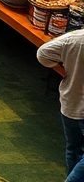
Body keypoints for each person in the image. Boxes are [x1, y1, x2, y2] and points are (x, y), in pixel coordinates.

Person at [38, 29, 84, 176]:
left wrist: (63, 71)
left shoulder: (74, 38)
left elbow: (43, 53)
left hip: (70, 103)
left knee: (73, 149)